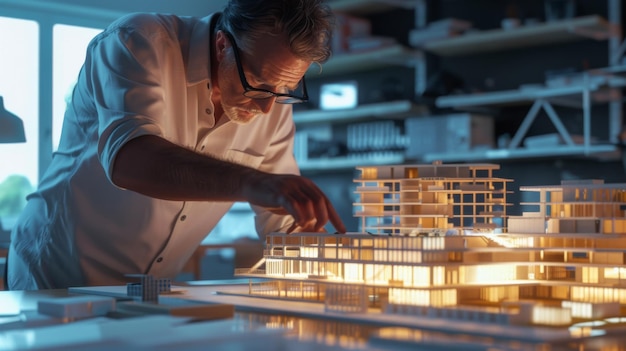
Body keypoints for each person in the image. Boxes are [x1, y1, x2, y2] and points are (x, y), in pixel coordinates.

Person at [8, 0, 346, 290]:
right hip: (55, 277)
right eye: (258, 84)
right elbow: (131, 159)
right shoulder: (139, 42)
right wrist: (255, 182)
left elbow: (285, 223)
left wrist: (333, 263)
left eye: (283, 90)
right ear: (221, 45)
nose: (266, 108)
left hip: (148, 292)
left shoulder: (271, 105)